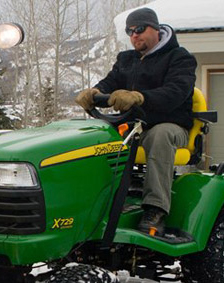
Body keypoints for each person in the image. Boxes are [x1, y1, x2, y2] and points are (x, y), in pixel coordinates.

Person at [75, 7, 197, 237]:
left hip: (170, 125)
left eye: (140, 29)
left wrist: (141, 97)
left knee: (159, 136)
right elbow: (110, 83)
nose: (134, 35)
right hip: (132, 126)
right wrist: (95, 92)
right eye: (130, 31)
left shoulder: (180, 58)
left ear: (156, 29)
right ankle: (98, 200)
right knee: (95, 137)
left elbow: (176, 92)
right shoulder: (126, 59)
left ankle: (155, 209)